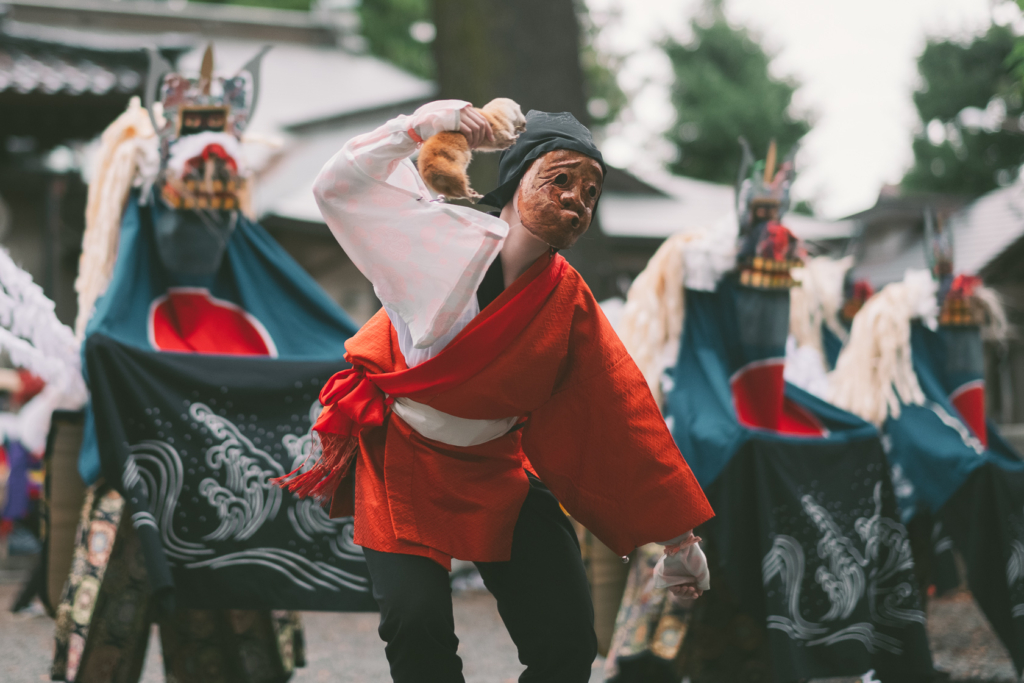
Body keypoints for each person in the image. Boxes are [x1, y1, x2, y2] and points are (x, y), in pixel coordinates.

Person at [282, 100, 714, 683]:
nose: (576, 201)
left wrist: (679, 539)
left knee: (566, 642)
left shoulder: (567, 298)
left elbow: (620, 411)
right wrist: (417, 127)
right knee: (418, 633)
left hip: (497, 465)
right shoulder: (437, 237)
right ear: (515, 180)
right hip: (402, 458)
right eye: (560, 180)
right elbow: (337, 187)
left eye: (591, 193)